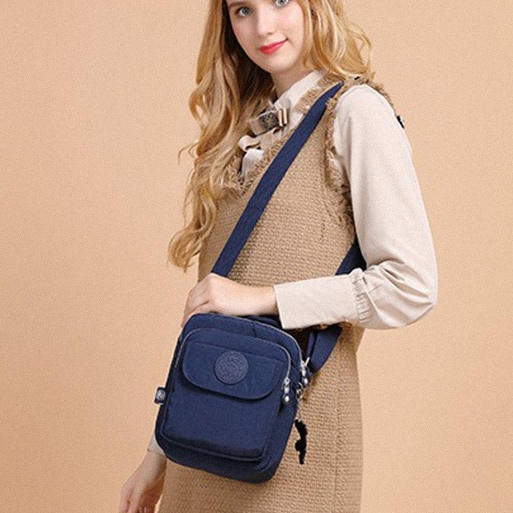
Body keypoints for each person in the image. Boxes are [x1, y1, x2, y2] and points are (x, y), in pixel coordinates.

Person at [119, 0, 438, 511]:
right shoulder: (241, 133)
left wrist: (264, 298)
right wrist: (157, 454)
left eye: (281, 0)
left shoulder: (355, 113)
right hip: (200, 442)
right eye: (243, 9)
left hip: (295, 449)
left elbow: (411, 284)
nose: (263, 26)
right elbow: (210, 317)